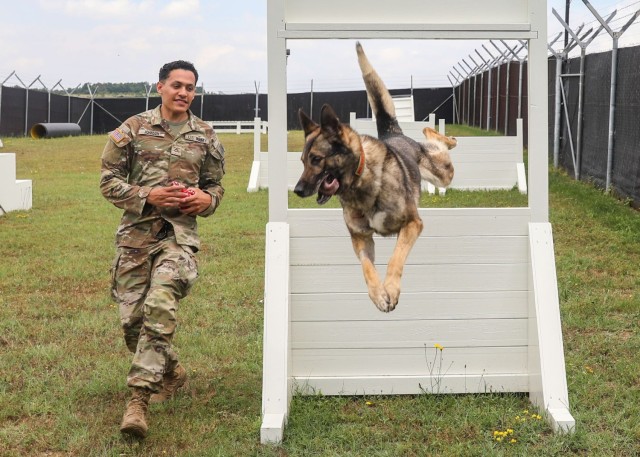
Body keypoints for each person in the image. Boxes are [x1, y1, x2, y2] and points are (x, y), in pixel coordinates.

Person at [100, 60, 225, 439]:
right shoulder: (133, 129)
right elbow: (107, 181)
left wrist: (206, 199)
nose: (184, 92)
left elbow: (215, 187)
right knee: (132, 325)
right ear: (160, 87)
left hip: (178, 239)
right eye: (177, 85)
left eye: (190, 87)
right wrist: (146, 194)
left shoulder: (205, 136)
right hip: (135, 240)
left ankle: (137, 401)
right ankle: (171, 371)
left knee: (160, 303)